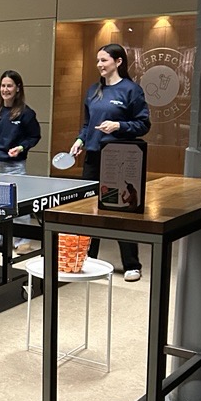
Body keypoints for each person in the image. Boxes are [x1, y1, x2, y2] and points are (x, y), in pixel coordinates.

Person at [70, 43, 151, 281]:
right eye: (97, 61)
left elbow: (144, 125)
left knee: (121, 211)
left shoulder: (131, 90)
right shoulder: (94, 90)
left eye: (104, 60)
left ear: (118, 62)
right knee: (90, 210)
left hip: (120, 158)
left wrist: (119, 126)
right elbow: (87, 125)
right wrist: (79, 140)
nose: (99, 65)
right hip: (93, 157)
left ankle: (132, 265)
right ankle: (88, 259)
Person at [0, 69, 41, 250]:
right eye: (3, 86)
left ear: (17, 88)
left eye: (9, 86)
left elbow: (34, 137)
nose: (5, 89)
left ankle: (23, 240)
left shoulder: (26, 113)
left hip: (14, 165)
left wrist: (21, 147)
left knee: (16, 203)